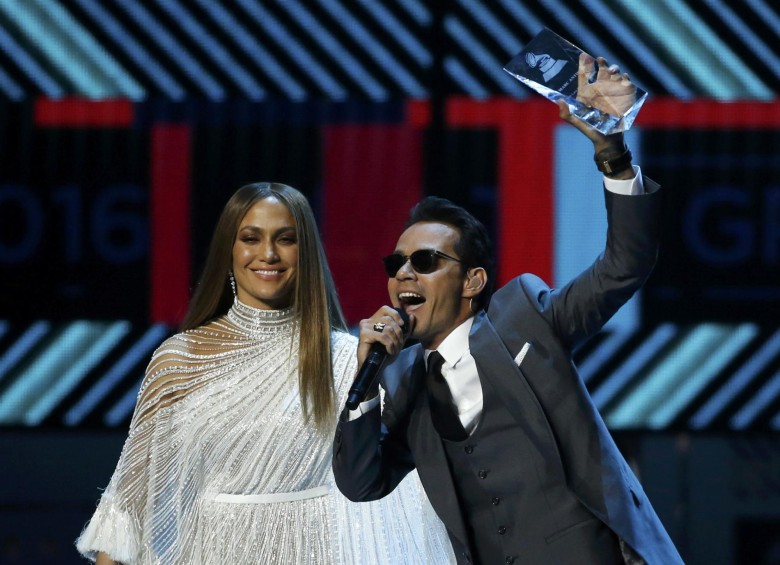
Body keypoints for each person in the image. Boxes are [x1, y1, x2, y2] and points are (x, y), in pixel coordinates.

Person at [332, 57, 684, 564]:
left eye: (426, 261)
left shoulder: (525, 317)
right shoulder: (402, 381)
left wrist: (612, 153)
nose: (404, 274)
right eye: (397, 263)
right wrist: (363, 384)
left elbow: (623, 265)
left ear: (473, 281)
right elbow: (362, 483)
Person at [76, 182, 453, 564]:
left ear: (305, 252)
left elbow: (393, 488)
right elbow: (130, 504)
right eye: (250, 238)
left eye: (285, 239)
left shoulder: (345, 359)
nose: (268, 254)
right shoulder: (179, 359)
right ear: (230, 250)